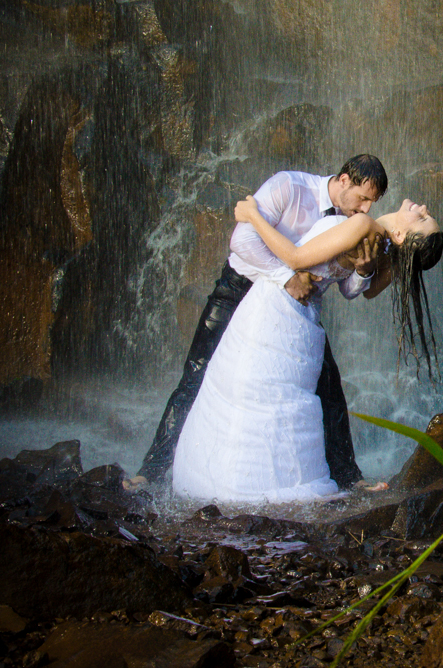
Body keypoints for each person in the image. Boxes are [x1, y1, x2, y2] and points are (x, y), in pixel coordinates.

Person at [126, 155, 389, 491]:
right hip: (241, 286)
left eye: (373, 203)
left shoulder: (353, 222)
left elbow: (348, 290)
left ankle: (349, 478)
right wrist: (285, 277)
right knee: (197, 372)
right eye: (363, 198)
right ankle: (150, 472)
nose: (366, 209)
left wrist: (365, 271)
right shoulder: (289, 186)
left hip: (295, 309)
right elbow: (242, 240)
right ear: (343, 180)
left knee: (329, 389)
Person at [171, 196, 443, 503]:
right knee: (275, 396)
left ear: (400, 237)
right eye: (426, 214)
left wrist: (253, 216)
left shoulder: (364, 226)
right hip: (303, 319)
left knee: (254, 390)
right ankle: (271, 480)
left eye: (422, 219)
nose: (423, 207)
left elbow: (295, 259)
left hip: (277, 304)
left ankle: (233, 482)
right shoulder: (377, 242)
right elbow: (356, 292)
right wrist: (365, 271)